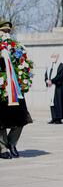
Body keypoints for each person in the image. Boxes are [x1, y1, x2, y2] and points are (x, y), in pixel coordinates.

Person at [0, 20, 33, 159]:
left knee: (21, 118)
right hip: (2, 89)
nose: (7, 34)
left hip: (15, 90)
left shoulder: (16, 48)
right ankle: (2, 147)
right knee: (1, 121)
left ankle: (12, 143)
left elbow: (24, 65)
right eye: (4, 31)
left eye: (8, 31)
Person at [45, 53, 63, 125]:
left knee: (58, 102)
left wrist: (52, 81)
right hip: (51, 87)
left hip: (58, 87)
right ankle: (54, 117)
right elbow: (46, 74)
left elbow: (59, 76)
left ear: (57, 57)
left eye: (54, 57)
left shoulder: (61, 65)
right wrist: (46, 80)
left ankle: (59, 118)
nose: (53, 58)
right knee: (52, 102)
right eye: (52, 56)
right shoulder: (49, 66)